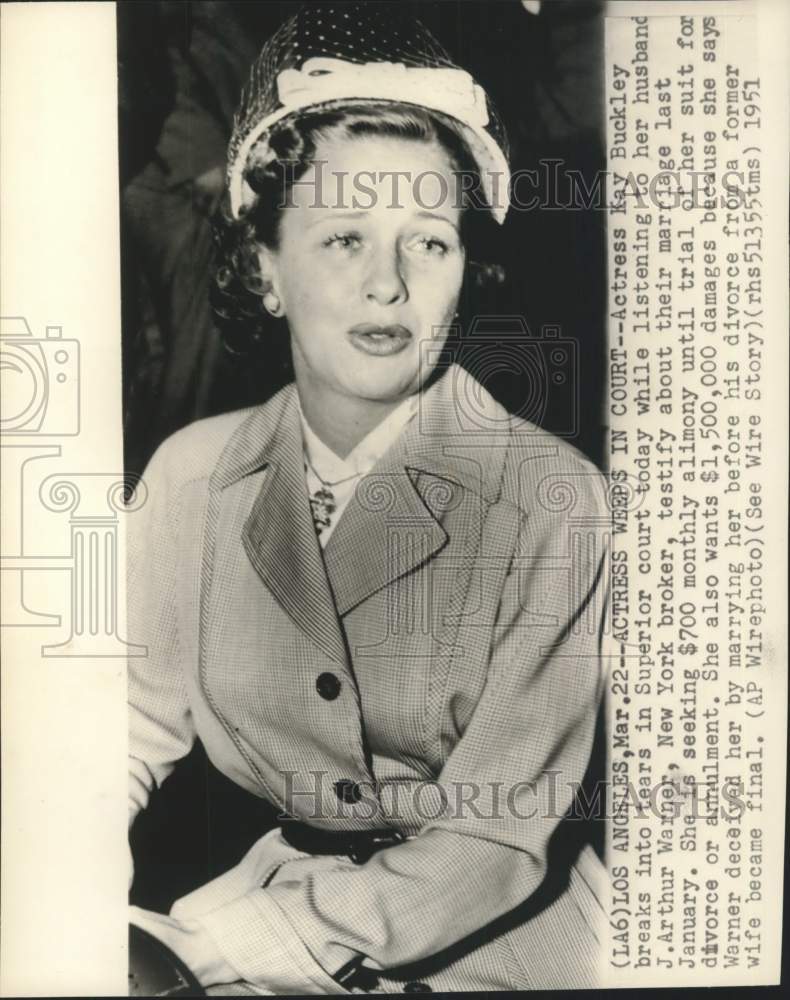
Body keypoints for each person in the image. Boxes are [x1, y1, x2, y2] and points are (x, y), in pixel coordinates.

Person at [127, 4, 610, 994]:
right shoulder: (191, 472)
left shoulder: (556, 502)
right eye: (343, 237)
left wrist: (204, 950)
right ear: (264, 267)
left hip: (515, 939)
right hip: (275, 896)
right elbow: (115, 728)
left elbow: (487, 840)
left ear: (470, 270)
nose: (387, 284)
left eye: (428, 241)